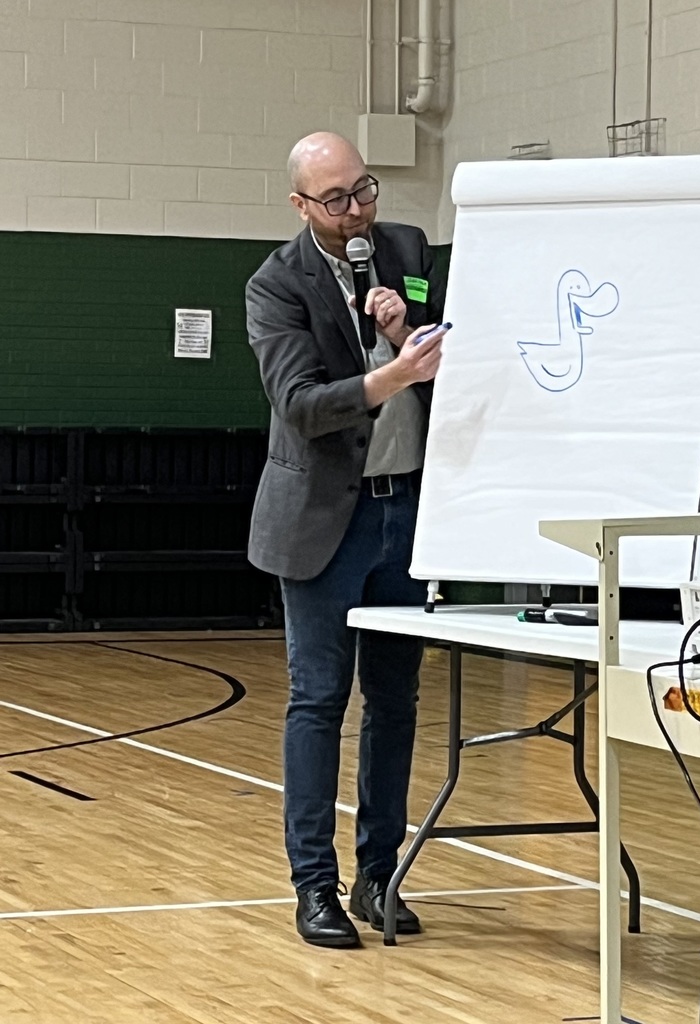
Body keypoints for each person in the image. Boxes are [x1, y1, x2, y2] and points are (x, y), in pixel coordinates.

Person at [244, 131, 446, 948]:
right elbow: (299, 404)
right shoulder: (274, 284)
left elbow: (454, 354)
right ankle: (314, 886)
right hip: (325, 520)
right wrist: (392, 375)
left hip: (408, 512)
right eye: (336, 200)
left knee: (395, 702)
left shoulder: (407, 248)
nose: (357, 211)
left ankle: (378, 874)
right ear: (301, 205)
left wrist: (405, 334)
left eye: (364, 189)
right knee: (319, 700)